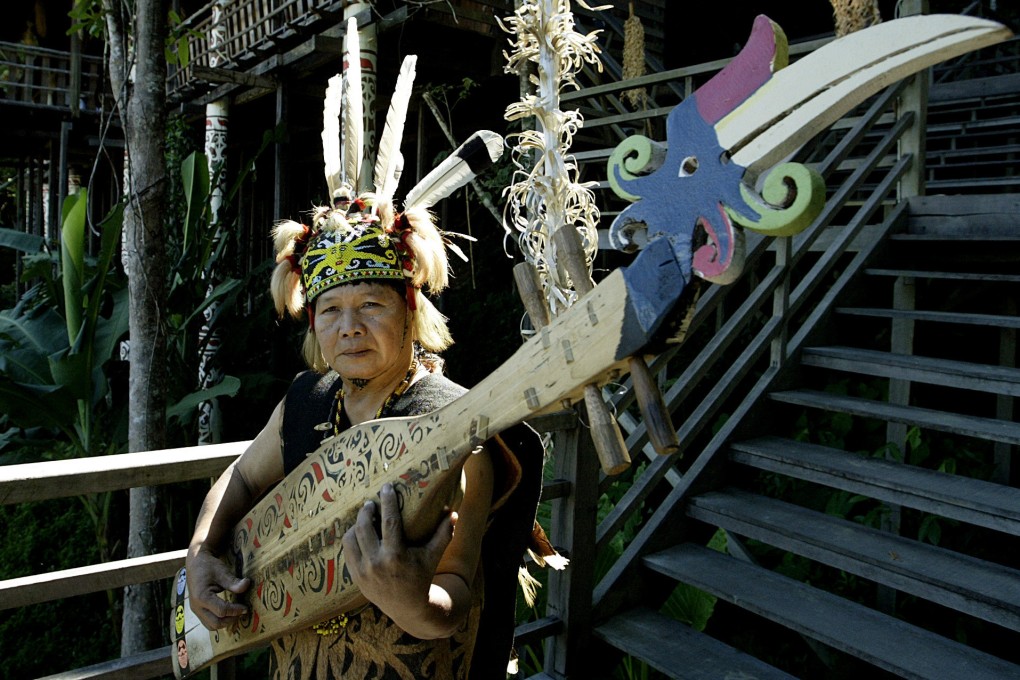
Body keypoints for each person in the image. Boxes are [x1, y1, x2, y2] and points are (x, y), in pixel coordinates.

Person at [184, 193, 549, 679]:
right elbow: (244, 477)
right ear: (313, 321)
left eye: (371, 304)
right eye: (331, 309)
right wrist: (203, 550)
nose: (350, 328)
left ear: (409, 309)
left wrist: (414, 605)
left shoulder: (454, 425)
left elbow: (458, 584)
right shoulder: (306, 401)